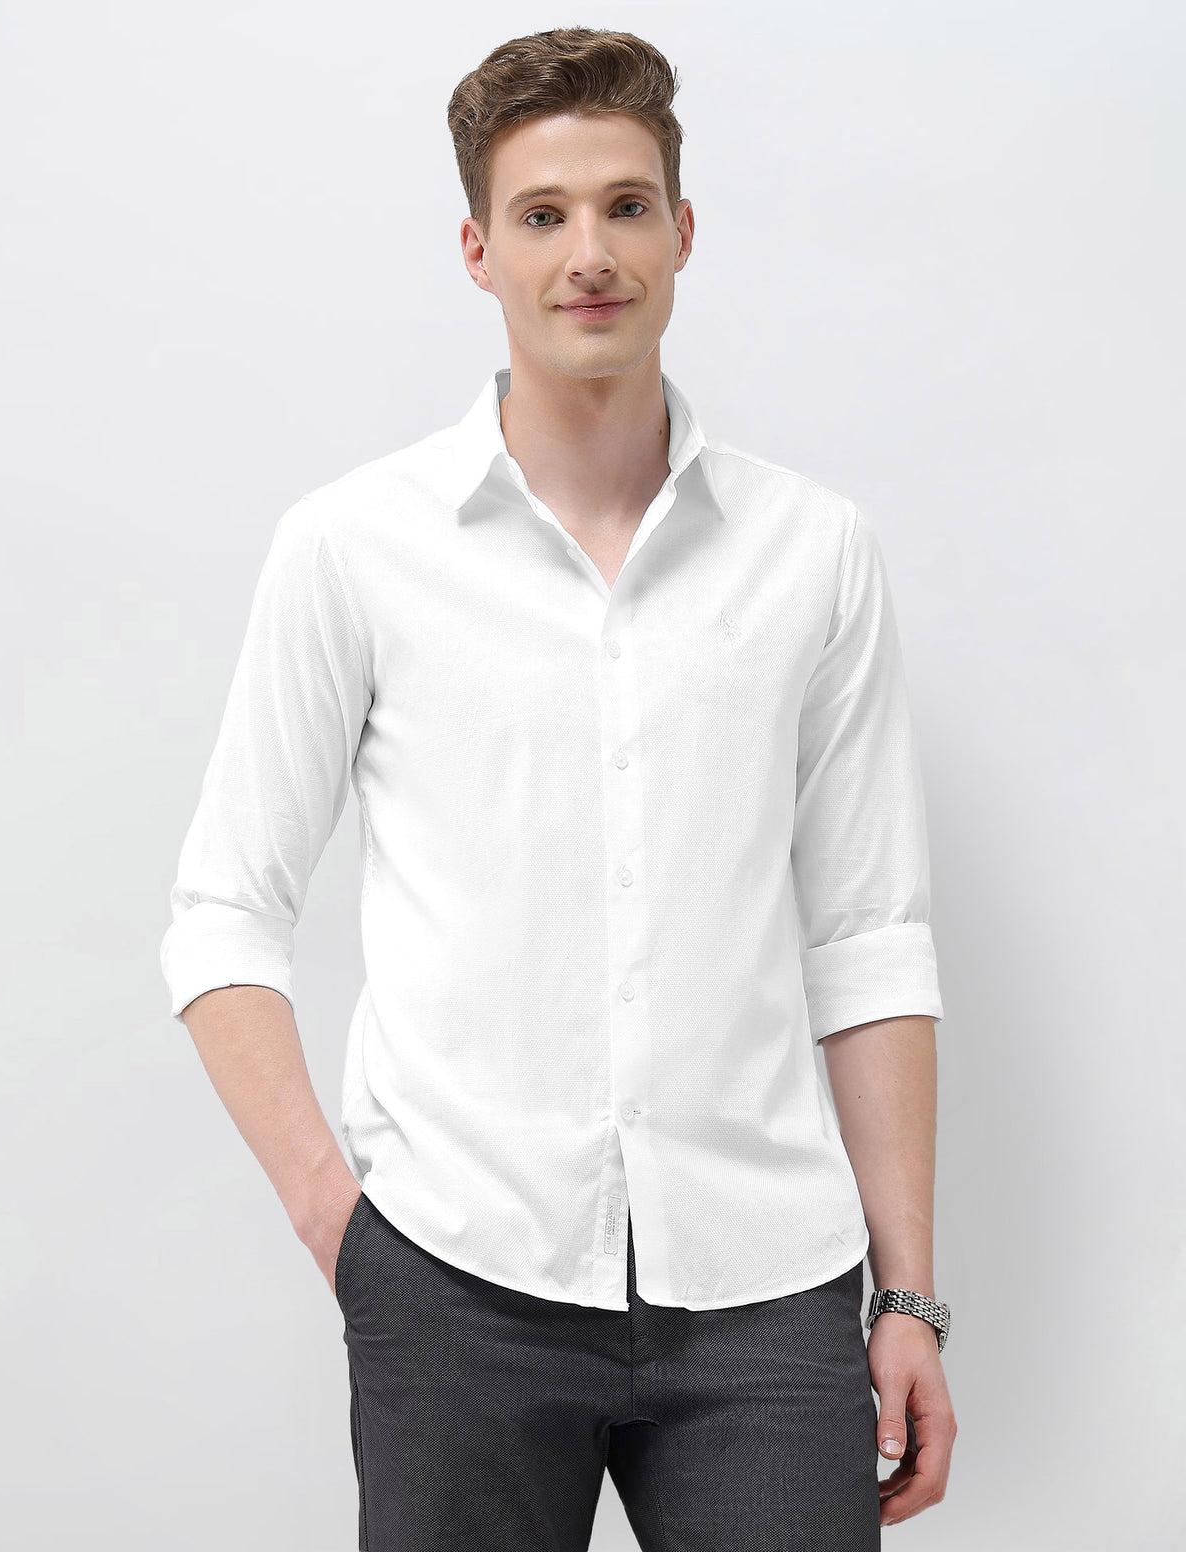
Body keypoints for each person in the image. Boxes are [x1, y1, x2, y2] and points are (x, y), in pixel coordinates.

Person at [160, 24, 957, 1551]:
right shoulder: (354, 548)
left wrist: (907, 1294)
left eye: (624, 206)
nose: (589, 252)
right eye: (543, 214)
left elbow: (869, 936)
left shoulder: (815, 553)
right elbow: (220, 913)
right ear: (479, 250)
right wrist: (345, 1229)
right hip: (457, 1281)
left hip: (767, 1293)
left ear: (683, 231)